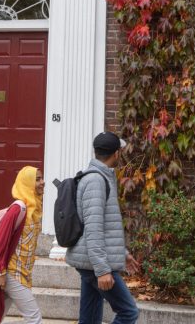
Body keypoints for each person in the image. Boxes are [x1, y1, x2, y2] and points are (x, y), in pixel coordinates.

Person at [65, 132, 140, 324]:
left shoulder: (101, 178)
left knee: (89, 319)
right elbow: (93, 229)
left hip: (91, 261)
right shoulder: (96, 181)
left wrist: (122, 253)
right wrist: (102, 270)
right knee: (129, 312)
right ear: (116, 153)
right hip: (94, 263)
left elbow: (104, 226)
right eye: (120, 151)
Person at [0, 166, 45, 324]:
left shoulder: (33, 208)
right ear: (26, 183)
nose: (43, 182)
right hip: (11, 273)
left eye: (42, 178)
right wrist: (0, 273)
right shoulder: (18, 209)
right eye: (37, 179)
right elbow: (0, 242)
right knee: (34, 318)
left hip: (22, 272)